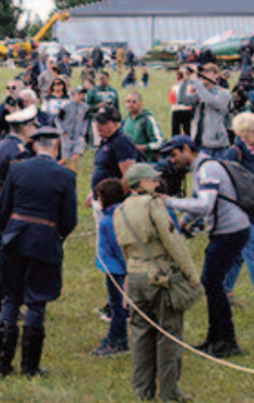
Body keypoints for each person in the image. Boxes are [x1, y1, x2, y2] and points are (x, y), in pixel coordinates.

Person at [0, 127, 77, 378]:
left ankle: (2, 364)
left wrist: (8, 232)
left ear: (34, 146)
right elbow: (69, 219)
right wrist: (53, 236)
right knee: (37, 301)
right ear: (56, 147)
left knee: (11, 298)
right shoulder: (65, 176)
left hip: (14, 239)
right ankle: (29, 367)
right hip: (44, 242)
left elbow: (2, 209)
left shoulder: (17, 169)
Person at [159, 135, 251, 358]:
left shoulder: (208, 169)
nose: (173, 160)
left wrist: (169, 202)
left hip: (231, 232)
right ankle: (215, 338)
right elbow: (202, 201)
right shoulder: (202, 167)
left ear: (187, 149)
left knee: (212, 283)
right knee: (212, 284)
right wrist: (184, 221)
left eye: (175, 154)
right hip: (226, 231)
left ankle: (227, 341)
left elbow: (206, 205)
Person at [115, 163, 201, 402]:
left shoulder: (119, 210)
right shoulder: (154, 205)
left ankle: (142, 391)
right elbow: (174, 243)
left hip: (135, 277)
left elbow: (124, 249)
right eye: (152, 180)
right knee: (169, 336)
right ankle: (169, 393)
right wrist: (192, 276)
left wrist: (128, 279)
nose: (157, 183)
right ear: (141, 183)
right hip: (160, 277)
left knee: (141, 336)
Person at [0, 106, 39, 315]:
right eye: (32, 125)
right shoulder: (20, 152)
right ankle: (5, 300)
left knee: (1, 250)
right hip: (13, 205)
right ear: (25, 127)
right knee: (9, 256)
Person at [92, 178, 129, 359]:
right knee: (115, 305)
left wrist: (126, 269)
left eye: (99, 197)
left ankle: (118, 340)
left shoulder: (109, 221)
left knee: (117, 306)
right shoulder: (116, 215)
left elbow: (118, 246)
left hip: (117, 270)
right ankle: (113, 336)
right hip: (112, 268)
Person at [223, 112, 254, 298]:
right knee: (251, 252)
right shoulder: (235, 153)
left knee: (237, 255)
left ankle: (224, 290)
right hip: (241, 212)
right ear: (244, 133)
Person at [179, 63, 230, 158]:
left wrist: (197, 83)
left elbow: (214, 102)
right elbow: (182, 100)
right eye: (202, 72)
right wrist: (186, 80)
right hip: (198, 142)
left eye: (207, 71)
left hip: (216, 145)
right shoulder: (201, 93)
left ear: (216, 74)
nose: (203, 74)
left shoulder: (224, 93)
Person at [123, 92, 165, 162]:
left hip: (145, 162)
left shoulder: (148, 119)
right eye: (128, 102)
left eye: (134, 102)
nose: (131, 104)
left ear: (141, 103)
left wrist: (143, 147)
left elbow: (159, 142)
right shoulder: (125, 120)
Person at [58, 85, 88, 173]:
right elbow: (58, 119)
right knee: (65, 158)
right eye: (79, 94)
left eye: (83, 94)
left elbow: (86, 120)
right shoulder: (66, 106)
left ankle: (74, 172)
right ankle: (62, 170)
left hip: (78, 134)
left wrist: (83, 132)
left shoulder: (85, 107)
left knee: (76, 155)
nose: (81, 96)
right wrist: (62, 131)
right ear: (74, 94)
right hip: (67, 134)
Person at [169, 68, 194, 137]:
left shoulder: (175, 86)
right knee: (187, 130)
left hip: (176, 109)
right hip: (187, 109)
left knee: (175, 131)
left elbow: (172, 99)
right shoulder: (189, 86)